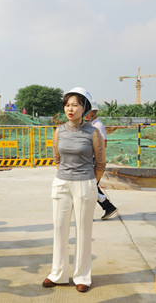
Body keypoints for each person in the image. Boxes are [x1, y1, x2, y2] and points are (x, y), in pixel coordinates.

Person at [42, 87, 106, 293]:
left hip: (85, 184)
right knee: (59, 229)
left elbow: (101, 163)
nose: (70, 109)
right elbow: (56, 159)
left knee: (83, 230)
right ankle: (58, 274)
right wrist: (67, 177)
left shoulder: (93, 132)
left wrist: (89, 183)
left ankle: (82, 276)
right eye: (67, 105)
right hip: (61, 183)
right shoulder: (59, 131)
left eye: (75, 105)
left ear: (84, 108)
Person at [84, 99, 118, 220]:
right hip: (88, 160)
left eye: (88, 112)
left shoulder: (98, 126)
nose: (85, 114)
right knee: (91, 187)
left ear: (94, 112)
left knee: (90, 188)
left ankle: (106, 207)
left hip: (95, 161)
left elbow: (103, 145)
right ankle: (108, 207)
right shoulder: (88, 125)